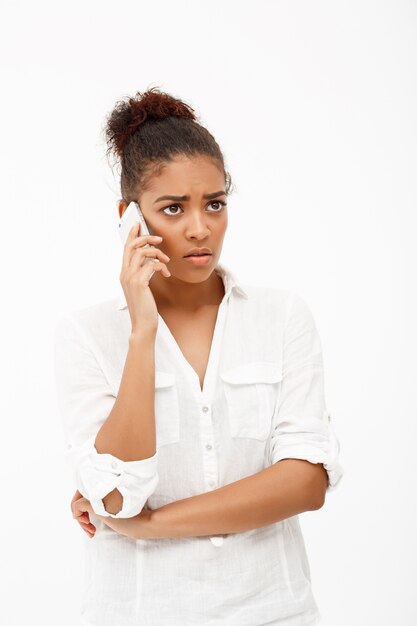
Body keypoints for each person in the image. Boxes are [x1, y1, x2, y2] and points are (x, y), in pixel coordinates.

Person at [53, 86, 344, 626]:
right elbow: (118, 497)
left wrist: (151, 525)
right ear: (129, 218)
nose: (199, 227)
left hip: (274, 612)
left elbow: (306, 482)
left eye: (214, 203)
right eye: (172, 208)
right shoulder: (86, 336)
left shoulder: (281, 318)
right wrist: (142, 332)